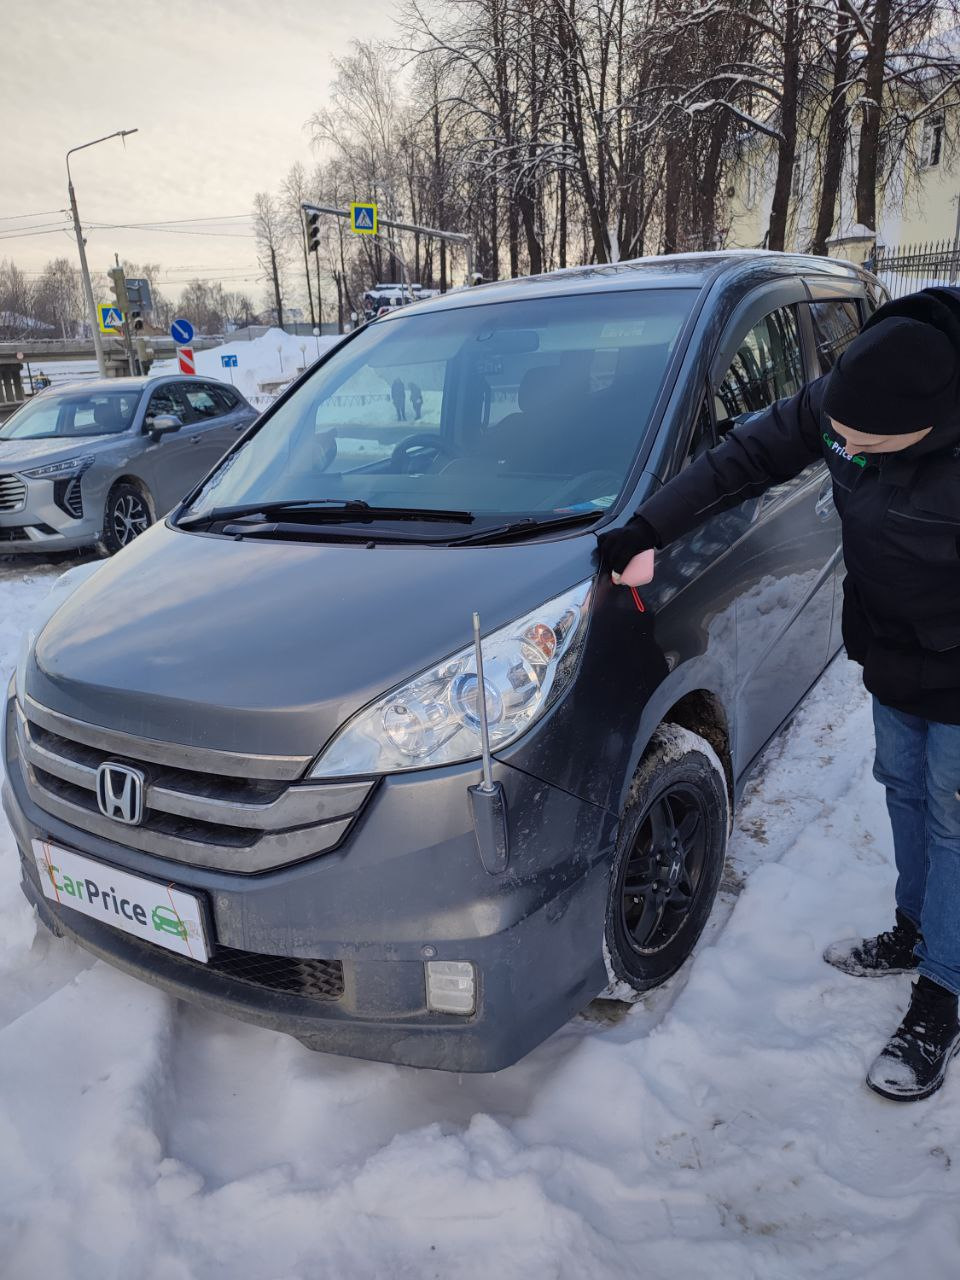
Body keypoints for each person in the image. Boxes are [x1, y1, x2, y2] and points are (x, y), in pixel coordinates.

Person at [599, 287, 960, 1103]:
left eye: (869, 442)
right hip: (892, 650)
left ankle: (943, 990)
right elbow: (742, 461)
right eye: (840, 432)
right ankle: (916, 929)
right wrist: (648, 528)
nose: (846, 445)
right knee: (902, 789)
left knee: (953, 813)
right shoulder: (847, 404)